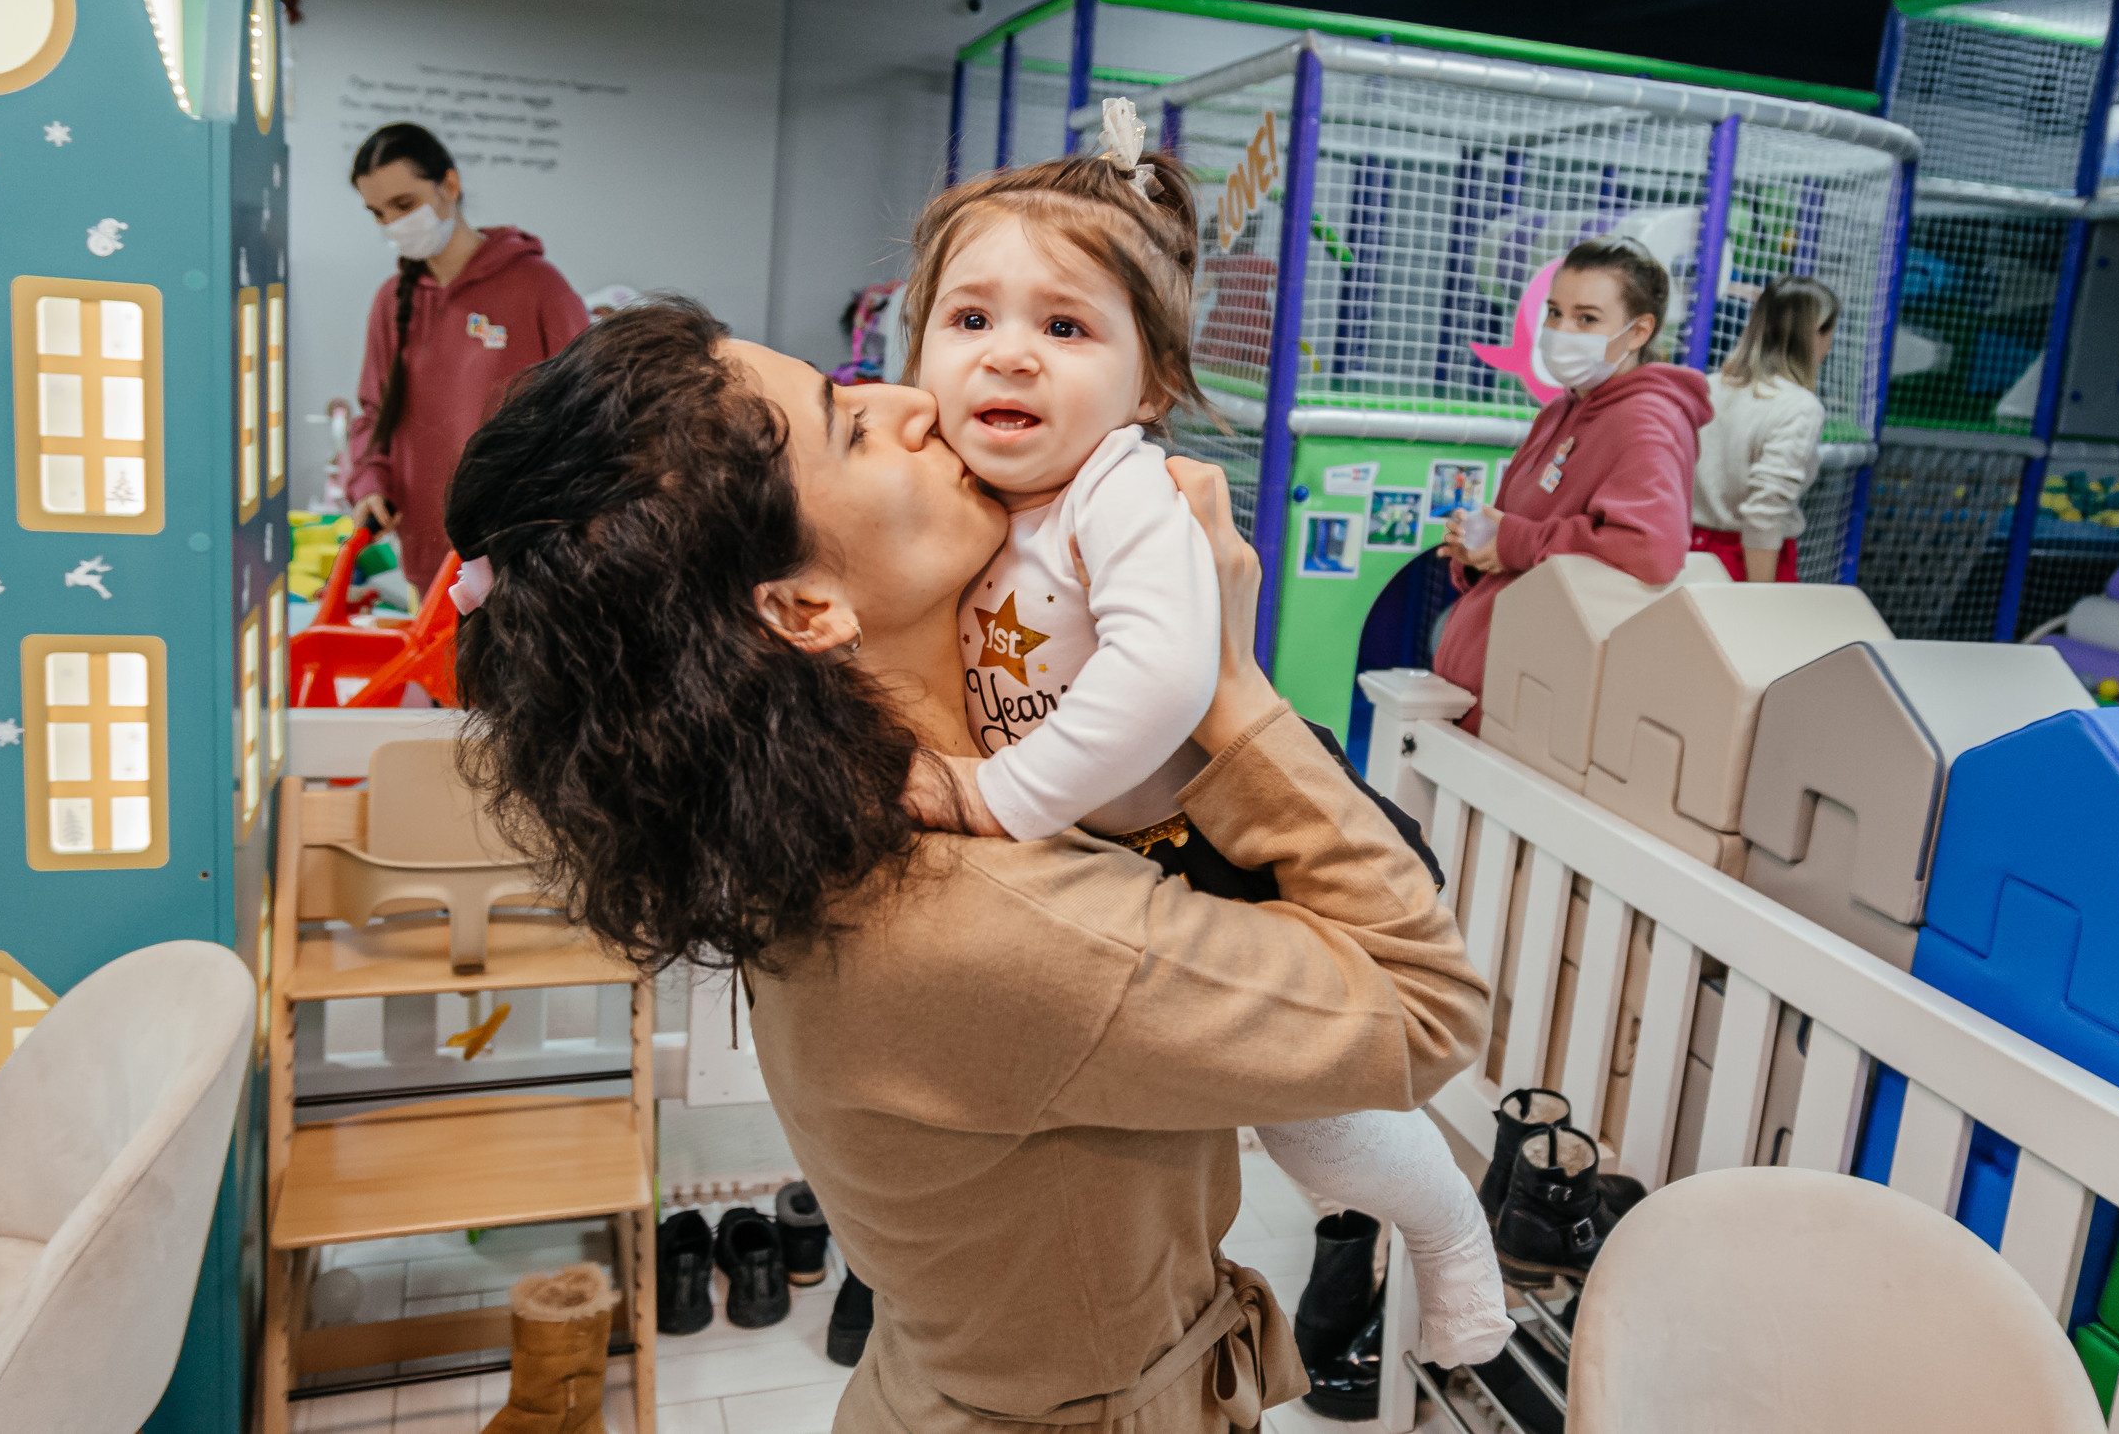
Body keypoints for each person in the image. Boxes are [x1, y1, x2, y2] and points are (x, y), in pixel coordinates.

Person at [441, 298, 1489, 1434]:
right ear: (802, 609)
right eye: (848, 424)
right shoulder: (982, 919)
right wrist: (1228, 684)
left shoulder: (841, 814)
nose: (910, 402)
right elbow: (1424, 1012)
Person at [896, 101, 1512, 1369]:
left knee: (1316, 1127)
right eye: (969, 320)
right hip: (1093, 858)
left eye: (1063, 327)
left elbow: (1169, 674)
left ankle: (1451, 1233)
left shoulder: (1118, 490)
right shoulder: (950, 472)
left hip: (1215, 837)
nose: (1006, 357)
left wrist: (998, 795)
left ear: (1150, 381)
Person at [1431, 235, 1713, 728]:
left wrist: (1515, 542)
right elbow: (1518, 533)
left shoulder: (1646, 421)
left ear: (1638, 330)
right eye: (1554, 313)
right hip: (1487, 686)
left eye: (1587, 318)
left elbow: (1651, 549)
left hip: (1538, 701)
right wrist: (1477, 548)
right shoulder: (1562, 409)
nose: (1562, 330)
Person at [341, 121, 589, 589]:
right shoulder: (393, 300)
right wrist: (369, 484)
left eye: (404, 204)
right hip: (428, 557)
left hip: (520, 559)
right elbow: (374, 415)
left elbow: (591, 410)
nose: (392, 223)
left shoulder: (538, 286)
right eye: (377, 212)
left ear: (449, 186)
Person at [1690, 275, 1838, 583]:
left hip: (1688, 553)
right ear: (1816, 335)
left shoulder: (1707, 387)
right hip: (1749, 562)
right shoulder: (1799, 406)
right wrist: (1762, 594)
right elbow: (1764, 512)